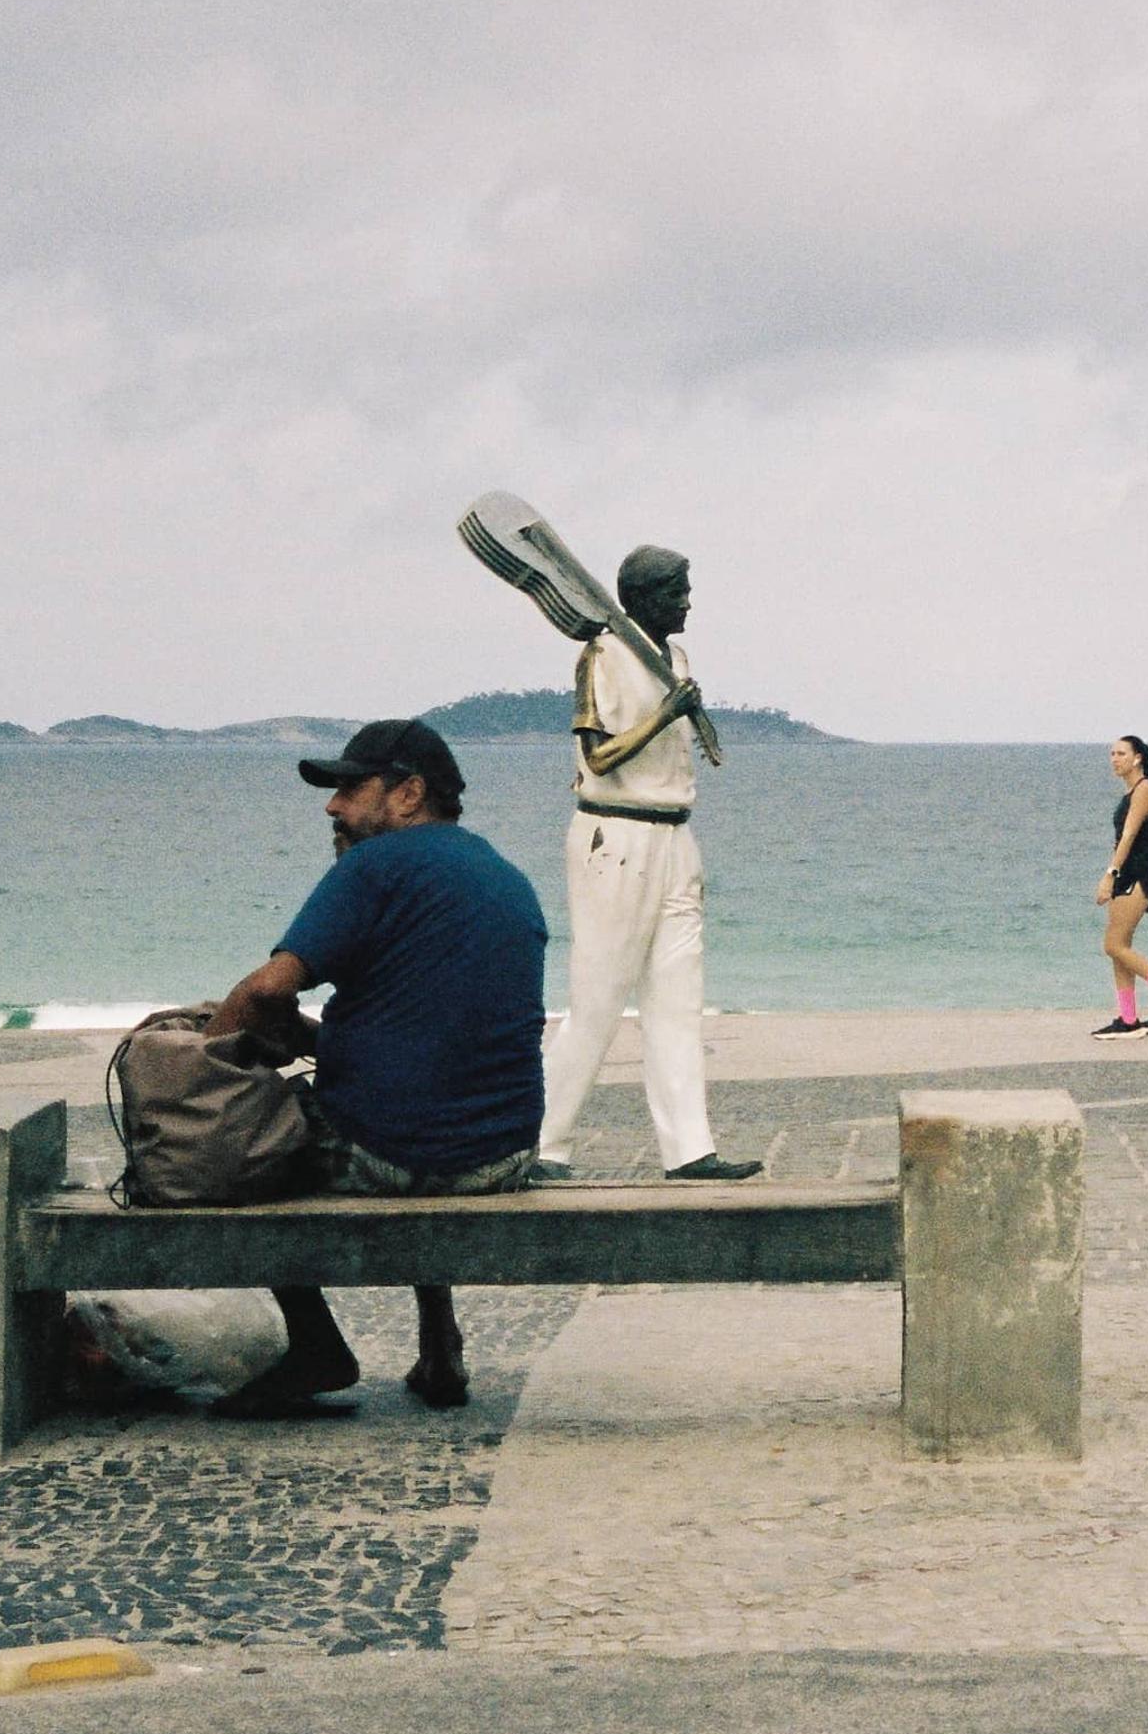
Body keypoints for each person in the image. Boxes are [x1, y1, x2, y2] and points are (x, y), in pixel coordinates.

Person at [203, 719, 548, 1419]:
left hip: (396, 1151)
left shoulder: (372, 868)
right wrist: (302, 1037)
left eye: (349, 788)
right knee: (406, 1113)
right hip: (503, 1154)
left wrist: (199, 1061)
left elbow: (267, 989)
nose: (332, 806)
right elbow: (419, 1044)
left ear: (409, 793)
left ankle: (315, 1346)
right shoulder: (507, 877)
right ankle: (440, 1345)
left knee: (249, 1143)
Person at [534, 544, 760, 1182]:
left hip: (673, 835)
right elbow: (599, 758)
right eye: (674, 591)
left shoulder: (673, 658)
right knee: (599, 995)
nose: (686, 601)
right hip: (618, 836)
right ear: (639, 597)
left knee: (676, 998)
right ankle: (543, 1141)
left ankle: (689, 1148)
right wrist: (668, 712)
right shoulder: (604, 653)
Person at [1090, 734, 1148, 1037]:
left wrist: (1109, 874)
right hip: (1133, 873)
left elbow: (1130, 836)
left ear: (1138, 758)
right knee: (1120, 947)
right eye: (1112, 754)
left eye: (1121, 753)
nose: (1114, 759)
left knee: (1113, 945)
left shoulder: (1144, 789)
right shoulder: (1131, 793)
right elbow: (1144, 840)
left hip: (1137, 875)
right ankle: (1129, 1020)